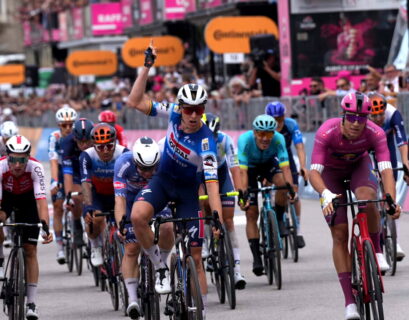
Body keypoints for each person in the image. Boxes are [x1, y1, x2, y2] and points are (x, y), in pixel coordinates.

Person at [127, 42, 223, 316]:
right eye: (188, 109)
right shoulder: (171, 112)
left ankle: (199, 311)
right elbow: (134, 102)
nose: (193, 115)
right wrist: (146, 68)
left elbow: (212, 182)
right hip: (162, 181)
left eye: (199, 109)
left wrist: (215, 214)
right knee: (137, 217)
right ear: (180, 107)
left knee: (195, 256)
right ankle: (160, 267)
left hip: (188, 193)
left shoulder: (206, 142)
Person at [309, 92, 400, 320]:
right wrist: (325, 194)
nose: (357, 123)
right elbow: (314, 172)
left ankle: (377, 251)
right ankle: (349, 302)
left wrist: (390, 199)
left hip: (359, 167)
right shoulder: (327, 132)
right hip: (331, 176)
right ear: (344, 115)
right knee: (339, 234)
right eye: (352, 117)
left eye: (362, 118)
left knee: (369, 197)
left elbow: (386, 167)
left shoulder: (375, 133)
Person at [114, 137, 174, 318]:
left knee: (168, 228)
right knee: (131, 247)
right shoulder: (123, 163)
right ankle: (132, 299)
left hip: (157, 199)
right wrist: (121, 224)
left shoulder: (165, 161)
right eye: (144, 169)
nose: (148, 173)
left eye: (152, 168)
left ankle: (160, 266)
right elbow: (120, 199)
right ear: (135, 161)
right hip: (132, 201)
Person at [0, 135, 53, 319]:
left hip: (28, 201)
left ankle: (31, 303)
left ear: (27, 158)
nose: (17, 165)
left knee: (30, 249)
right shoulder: (0, 167)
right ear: (7, 157)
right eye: (13, 159)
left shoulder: (35, 167)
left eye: (21, 160)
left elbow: (41, 202)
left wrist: (46, 226)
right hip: (5, 199)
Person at [237, 114, 295, 276]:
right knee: (251, 213)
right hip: (249, 168)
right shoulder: (245, 140)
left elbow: (286, 168)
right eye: (261, 134)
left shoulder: (278, 139)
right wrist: (243, 195)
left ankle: (278, 218)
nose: (265, 138)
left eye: (269, 134)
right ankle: (257, 257)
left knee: (282, 184)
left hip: (269, 164)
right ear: (254, 132)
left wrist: (291, 189)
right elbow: (242, 172)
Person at [200, 113, 246, 289]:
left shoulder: (225, 140)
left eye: (214, 135)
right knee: (202, 205)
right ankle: (205, 242)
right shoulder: (196, 141)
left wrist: (240, 191)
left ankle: (237, 271)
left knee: (228, 221)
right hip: (201, 176)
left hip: (221, 174)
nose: (212, 139)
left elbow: (234, 167)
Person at [80, 123, 127, 267]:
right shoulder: (87, 156)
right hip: (97, 195)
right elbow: (86, 183)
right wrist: (88, 207)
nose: (105, 150)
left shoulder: (124, 153)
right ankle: (95, 245)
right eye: (100, 147)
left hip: (118, 195)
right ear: (94, 146)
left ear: (115, 143)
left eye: (109, 146)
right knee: (94, 218)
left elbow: (132, 183)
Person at [368, 92, 407, 260]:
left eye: (380, 114)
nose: (378, 117)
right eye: (374, 115)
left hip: (386, 149)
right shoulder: (362, 117)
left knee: (390, 194)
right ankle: (376, 240)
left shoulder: (393, 114)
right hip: (367, 150)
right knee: (370, 191)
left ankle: (394, 238)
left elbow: (402, 142)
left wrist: (406, 163)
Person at [265, 101, 308, 248]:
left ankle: (299, 230)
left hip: (286, 158)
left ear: (284, 116)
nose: (277, 122)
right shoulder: (264, 126)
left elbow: (300, 147)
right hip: (269, 158)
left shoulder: (290, 124)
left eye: (279, 119)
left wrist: (302, 166)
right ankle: (270, 215)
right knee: (270, 187)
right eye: (273, 119)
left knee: (294, 194)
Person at [49, 105, 78, 264]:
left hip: (75, 170)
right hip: (60, 170)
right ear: (59, 125)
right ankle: (60, 246)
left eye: (71, 124)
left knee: (77, 199)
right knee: (58, 206)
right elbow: (53, 161)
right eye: (64, 125)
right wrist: (54, 181)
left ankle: (76, 224)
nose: (68, 128)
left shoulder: (78, 135)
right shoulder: (54, 137)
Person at [61, 118, 94, 246]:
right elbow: (67, 173)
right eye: (81, 142)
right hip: (75, 172)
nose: (84, 145)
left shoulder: (98, 139)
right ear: (75, 138)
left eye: (88, 142)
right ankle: (77, 225)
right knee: (77, 197)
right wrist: (69, 196)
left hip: (91, 170)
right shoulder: (67, 142)